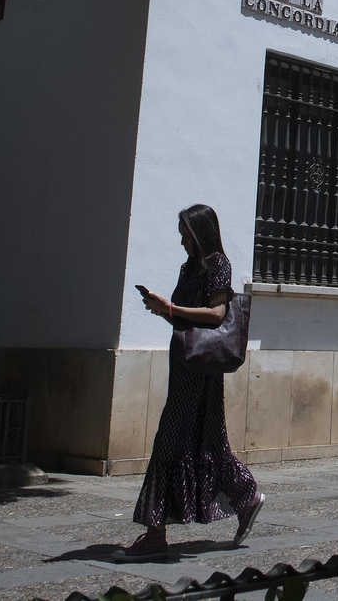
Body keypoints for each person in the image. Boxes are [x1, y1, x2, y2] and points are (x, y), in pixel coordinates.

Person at [112, 204, 264, 563]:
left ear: (199, 231)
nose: (181, 240)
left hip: (201, 373)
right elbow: (186, 321)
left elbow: (217, 315)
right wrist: (164, 310)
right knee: (206, 440)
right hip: (184, 364)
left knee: (172, 441)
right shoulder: (189, 268)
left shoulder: (217, 265)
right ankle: (246, 497)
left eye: (184, 232)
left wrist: (172, 309)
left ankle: (155, 534)